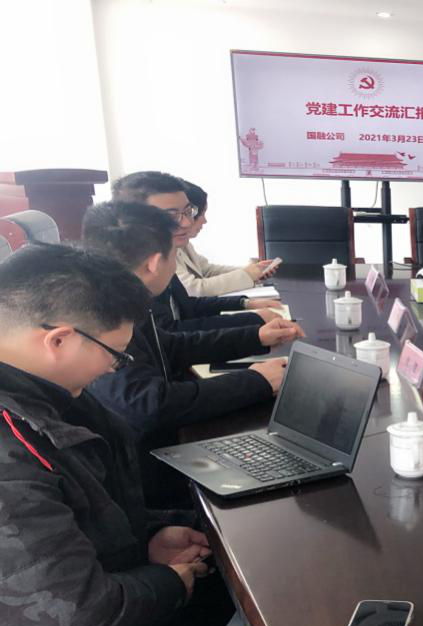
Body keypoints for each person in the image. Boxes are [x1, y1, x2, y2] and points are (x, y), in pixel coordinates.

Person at [0, 243, 288, 626]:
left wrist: (148, 537)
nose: (115, 367)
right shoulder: (11, 447)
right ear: (58, 340)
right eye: (115, 353)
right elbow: (73, 620)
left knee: (234, 571)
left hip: (73, 608)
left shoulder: (47, 392)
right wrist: (168, 582)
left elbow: (81, 515)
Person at [81, 201, 302, 501]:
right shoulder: (101, 317)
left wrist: (255, 336)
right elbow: (149, 405)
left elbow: (170, 345)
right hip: (143, 478)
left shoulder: (118, 296)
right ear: (154, 263)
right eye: (175, 256)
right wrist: (256, 381)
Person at [112, 171, 284, 327]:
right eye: (171, 215)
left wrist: (245, 303)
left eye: (189, 212)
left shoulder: (168, 249)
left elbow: (187, 304)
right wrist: (252, 321)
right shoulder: (126, 284)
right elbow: (173, 335)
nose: (187, 223)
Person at [176, 179, 280, 296]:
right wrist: (247, 274)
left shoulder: (184, 244)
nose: (205, 221)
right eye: (202, 213)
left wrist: (252, 271)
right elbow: (193, 289)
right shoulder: (165, 248)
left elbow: (206, 270)